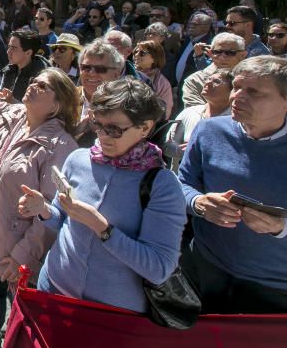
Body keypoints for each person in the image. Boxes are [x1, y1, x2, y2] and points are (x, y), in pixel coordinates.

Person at [179, 56, 287, 313]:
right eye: (236, 87)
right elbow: (181, 185)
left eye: (254, 92)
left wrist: (283, 227)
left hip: (278, 291)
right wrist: (197, 202)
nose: (237, 97)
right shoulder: (209, 132)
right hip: (204, 270)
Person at [18, 79, 186, 314]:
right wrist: (43, 209)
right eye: (98, 125)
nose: (103, 136)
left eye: (115, 130)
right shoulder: (78, 159)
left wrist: (102, 228)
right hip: (52, 288)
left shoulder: (162, 185)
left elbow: (159, 268)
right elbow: (62, 219)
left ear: (145, 127)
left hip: (110, 315)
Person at [0, 65, 79, 348]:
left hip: (21, 242)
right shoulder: (14, 115)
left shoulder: (61, 146)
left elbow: (53, 213)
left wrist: (24, 254)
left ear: (57, 105)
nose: (33, 85)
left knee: (20, 299)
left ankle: (16, 346)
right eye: (34, 81)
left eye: (43, 86)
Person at [165, 69, 232, 168]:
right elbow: (167, 145)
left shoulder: (236, 120)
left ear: (232, 91)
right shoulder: (189, 113)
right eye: (208, 79)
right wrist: (180, 151)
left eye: (217, 81)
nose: (208, 83)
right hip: (182, 180)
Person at [72, 40, 125, 147]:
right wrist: (73, 132)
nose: (91, 73)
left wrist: (103, 132)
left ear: (117, 73)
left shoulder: (127, 104)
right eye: (86, 68)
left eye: (101, 69)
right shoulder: (64, 98)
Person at [181, 32, 247, 107]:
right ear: (210, 53)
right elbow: (194, 111)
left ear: (243, 55)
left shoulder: (252, 79)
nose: (222, 57)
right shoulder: (196, 80)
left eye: (230, 53)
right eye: (217, 52)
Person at [0, 30, 50, 102]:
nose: (8, 51)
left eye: (13, 48)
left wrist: (12, 101)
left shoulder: (41, 78)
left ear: (28, 52)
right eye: (9, 47)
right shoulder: (9, 69)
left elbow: (38, 109)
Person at [131, 39, 173, 118]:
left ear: (154, 57)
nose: (136, 55)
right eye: (135, 52)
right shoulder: (128, 72)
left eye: (142, 53)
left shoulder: (162, 83)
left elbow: (165, 112)